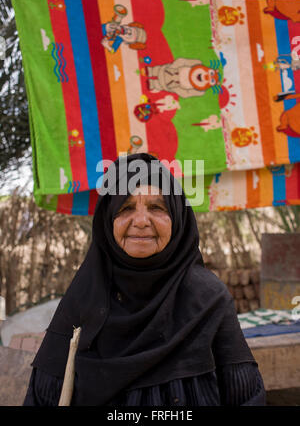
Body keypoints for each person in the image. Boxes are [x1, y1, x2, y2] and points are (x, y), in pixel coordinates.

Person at [23, 153, 266, 406]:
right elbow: (43, 397)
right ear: (108, 220)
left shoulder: (209, 298)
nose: (140, 222)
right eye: (126, 208)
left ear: (177, 218)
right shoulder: (84, 298)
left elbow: (246, 398)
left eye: (157, 208)